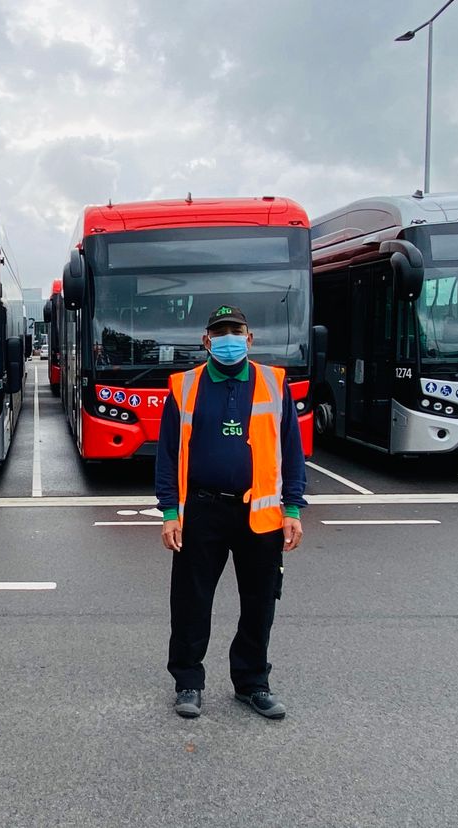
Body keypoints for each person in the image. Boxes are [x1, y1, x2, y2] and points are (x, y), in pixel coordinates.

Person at [155, 304, 306, 720]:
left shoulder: (274, 384)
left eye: (235, 331)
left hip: (260, 515)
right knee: (190, 601)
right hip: (201, 511)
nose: (227, 340)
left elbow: (291, 450)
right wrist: (169, 512)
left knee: (259, 603)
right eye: (219, 333)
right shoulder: (184, 387)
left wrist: (292, 507)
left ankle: (252, 683)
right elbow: (167, 454)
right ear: (206, 342)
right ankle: (188, 681)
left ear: (249, 338)